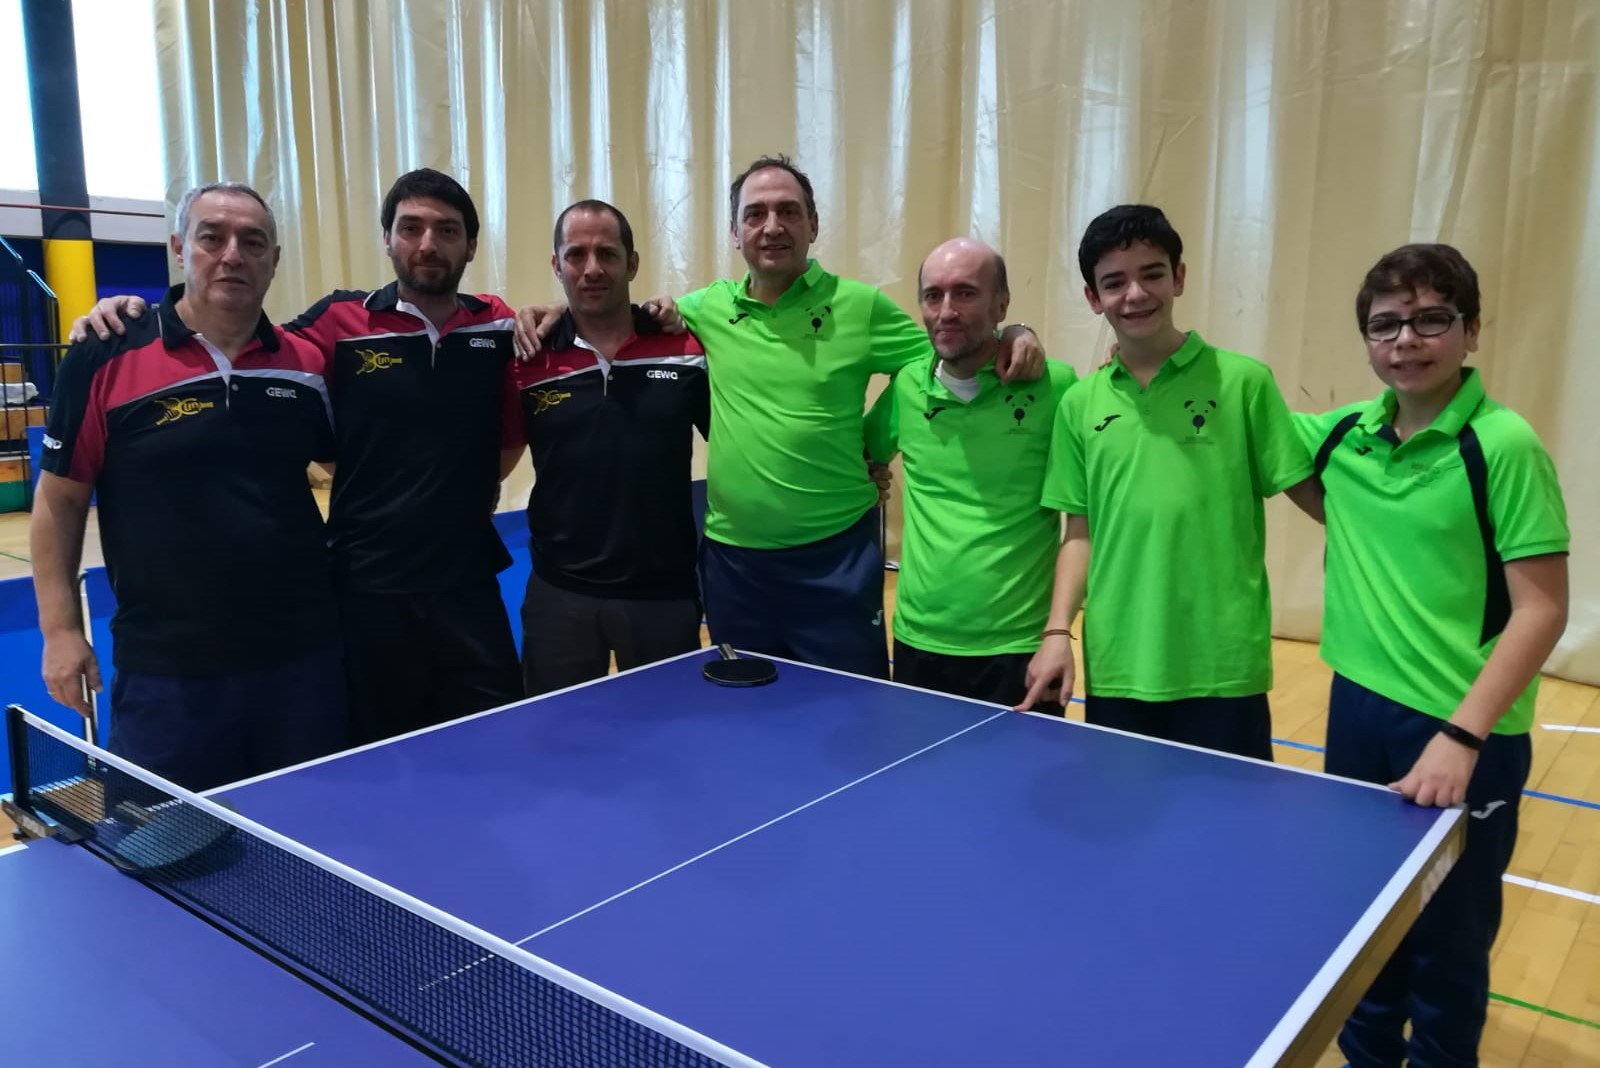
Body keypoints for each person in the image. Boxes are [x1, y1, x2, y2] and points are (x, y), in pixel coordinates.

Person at [515, 155, 1044, 678]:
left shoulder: (860, 306)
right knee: (745, 719)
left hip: (837, 555)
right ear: (734, 232)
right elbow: (608, 310)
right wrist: (556, 312)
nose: (772, 227)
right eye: (755, 214)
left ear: (813, 225)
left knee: (847, 712)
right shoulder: (700, 313)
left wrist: (1010, 333)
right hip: (734, 563)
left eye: (789, 212)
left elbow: (934, 357)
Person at [77, 169, 524, 746]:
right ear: (387, 239)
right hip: (365, 591)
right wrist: (128, 316)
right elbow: (234, 334)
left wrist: (456, 488)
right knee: (379, 757)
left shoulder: (499, 323)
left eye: (446, 230)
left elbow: (509, 439)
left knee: (495, 744)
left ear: (471, 245)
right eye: (410, 227)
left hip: (469, 584)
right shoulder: (337, 322)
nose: (428, 244)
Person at [1283, 245, 1569, 1068]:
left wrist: (1463, 736)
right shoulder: (1344, 436)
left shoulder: (1503, 445)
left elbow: (1543, 609)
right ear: (1367, 340)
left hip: (1462, 728)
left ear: (1470, 330)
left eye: (1431, 319)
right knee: (1366, 919)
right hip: (1358, 707)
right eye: (1386, 324)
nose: (1407, 340)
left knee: (1449, 936)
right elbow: (1248, 422)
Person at [34, 182, 346, 789]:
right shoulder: (105, 355)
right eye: (213, 237)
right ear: (180, 248)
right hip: (169, 671)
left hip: (302, 660)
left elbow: (353, 473)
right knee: (164, 860)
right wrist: (62, 631)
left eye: (253, 242)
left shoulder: (307, 364)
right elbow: (60, 501)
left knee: (310, 840)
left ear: (274, 260)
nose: (232, 254)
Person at [1018, 204, 1320, 758]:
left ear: (1178, 277)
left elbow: (1312, 495)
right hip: (1120, 662)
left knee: (1230, 830)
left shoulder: (1244, 383)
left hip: (1223, 664)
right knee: (1127, 829)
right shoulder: (1079, 404)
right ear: (1093, 298)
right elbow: (1078, 532)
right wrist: (1058, 631)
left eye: (1152, 273)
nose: (1135, 294)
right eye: (1114, 282)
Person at [864, 237, 1076, 711]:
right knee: (927, 785)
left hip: (1022, 647)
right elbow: (862, 453)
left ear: (1001, 303)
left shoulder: (1057, 387)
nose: (946, 310)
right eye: (933, 295)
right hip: (921, 641)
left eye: (965, 293)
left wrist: (1060, 631)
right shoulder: (906, 388)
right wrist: (872, 475)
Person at [511, 200, 709, 693]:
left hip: (662, 594)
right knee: (560, 750)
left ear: (633, 263)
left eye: (607, 253)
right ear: (556, 266)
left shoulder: (688, 349)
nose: (592, 268)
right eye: (576, 255)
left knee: (667, 745)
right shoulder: (526, 358)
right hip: (560, 595)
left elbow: (741, 441)